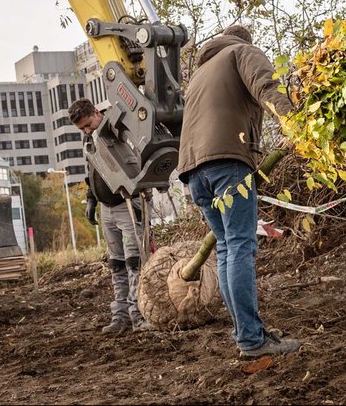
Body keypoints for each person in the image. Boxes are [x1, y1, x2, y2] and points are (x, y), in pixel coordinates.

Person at [177, 24, 301, 359]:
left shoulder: (201, 72)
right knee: (241, 247)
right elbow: (266, 87)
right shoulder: (242, 52)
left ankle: (247, 333)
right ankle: (251, 340)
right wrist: (299, 124)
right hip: (227, 162)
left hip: (193, 172)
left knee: (227, 250)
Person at [69, 97, 153, 334]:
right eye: (82, 128)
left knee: (135, 261)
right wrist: (91, 200)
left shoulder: (117, 129)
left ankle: (139, 313)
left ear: (97, 113)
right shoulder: (89, 140)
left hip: (127, 203)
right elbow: (92, 172)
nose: (87, 130)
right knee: (116, 264)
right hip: (108, 208)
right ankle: (121, 315)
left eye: (88, 124)